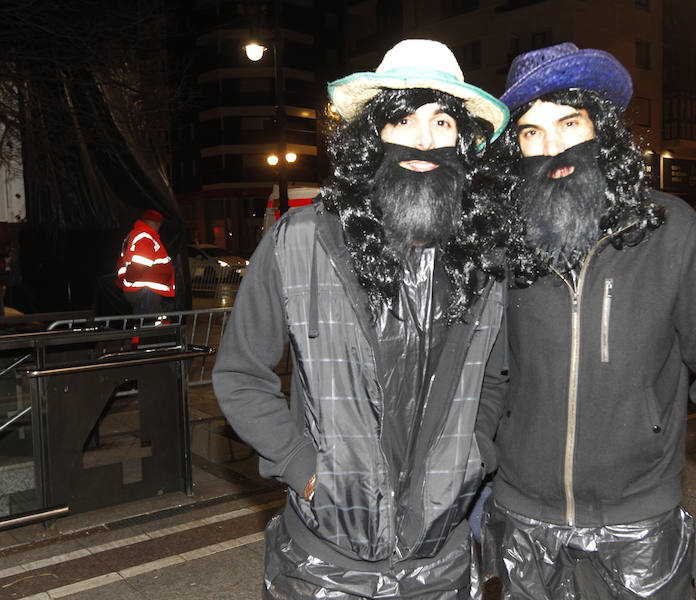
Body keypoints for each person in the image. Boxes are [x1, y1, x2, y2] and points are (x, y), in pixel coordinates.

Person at [212, 39, 512, 599]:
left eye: (442, 121)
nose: (424, 139)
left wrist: (475, 453)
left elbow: (497, 378)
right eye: (404, 119)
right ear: (374, 134)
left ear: (462, 141)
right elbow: (239, 373)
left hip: (440, 560)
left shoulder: (483, 260)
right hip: (324, 561)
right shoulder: (298, 241)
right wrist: (302, 465)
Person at [478, 43, 696, 598]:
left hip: (638, 526)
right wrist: (468, 477)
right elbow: (492, 378)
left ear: (601, 130)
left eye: (569, 123)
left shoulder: (671, 229)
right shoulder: (505, 242)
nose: (553, 147)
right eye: (531, 133)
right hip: (523, 521)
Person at [116, 209, 174, 314]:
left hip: (140, 289)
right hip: (146, 290)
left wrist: (124, 282)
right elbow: (140, 264)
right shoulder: (145, 237)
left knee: (144, 322)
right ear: (157, 224)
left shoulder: (133, 236)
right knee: (148, 324)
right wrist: (129, 282)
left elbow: (121, 263)